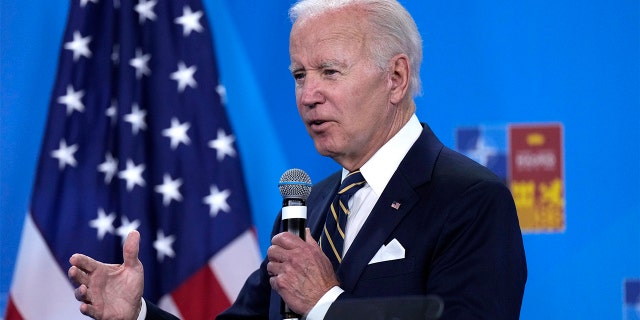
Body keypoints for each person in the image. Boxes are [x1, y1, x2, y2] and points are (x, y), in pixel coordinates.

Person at [68, 0, 528, 319]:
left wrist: (326, 303)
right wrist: (137, 315)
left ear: (396, 77)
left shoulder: (470, 200)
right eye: (299, 75)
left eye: (330, 72)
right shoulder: (307, 207)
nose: (308, 96)